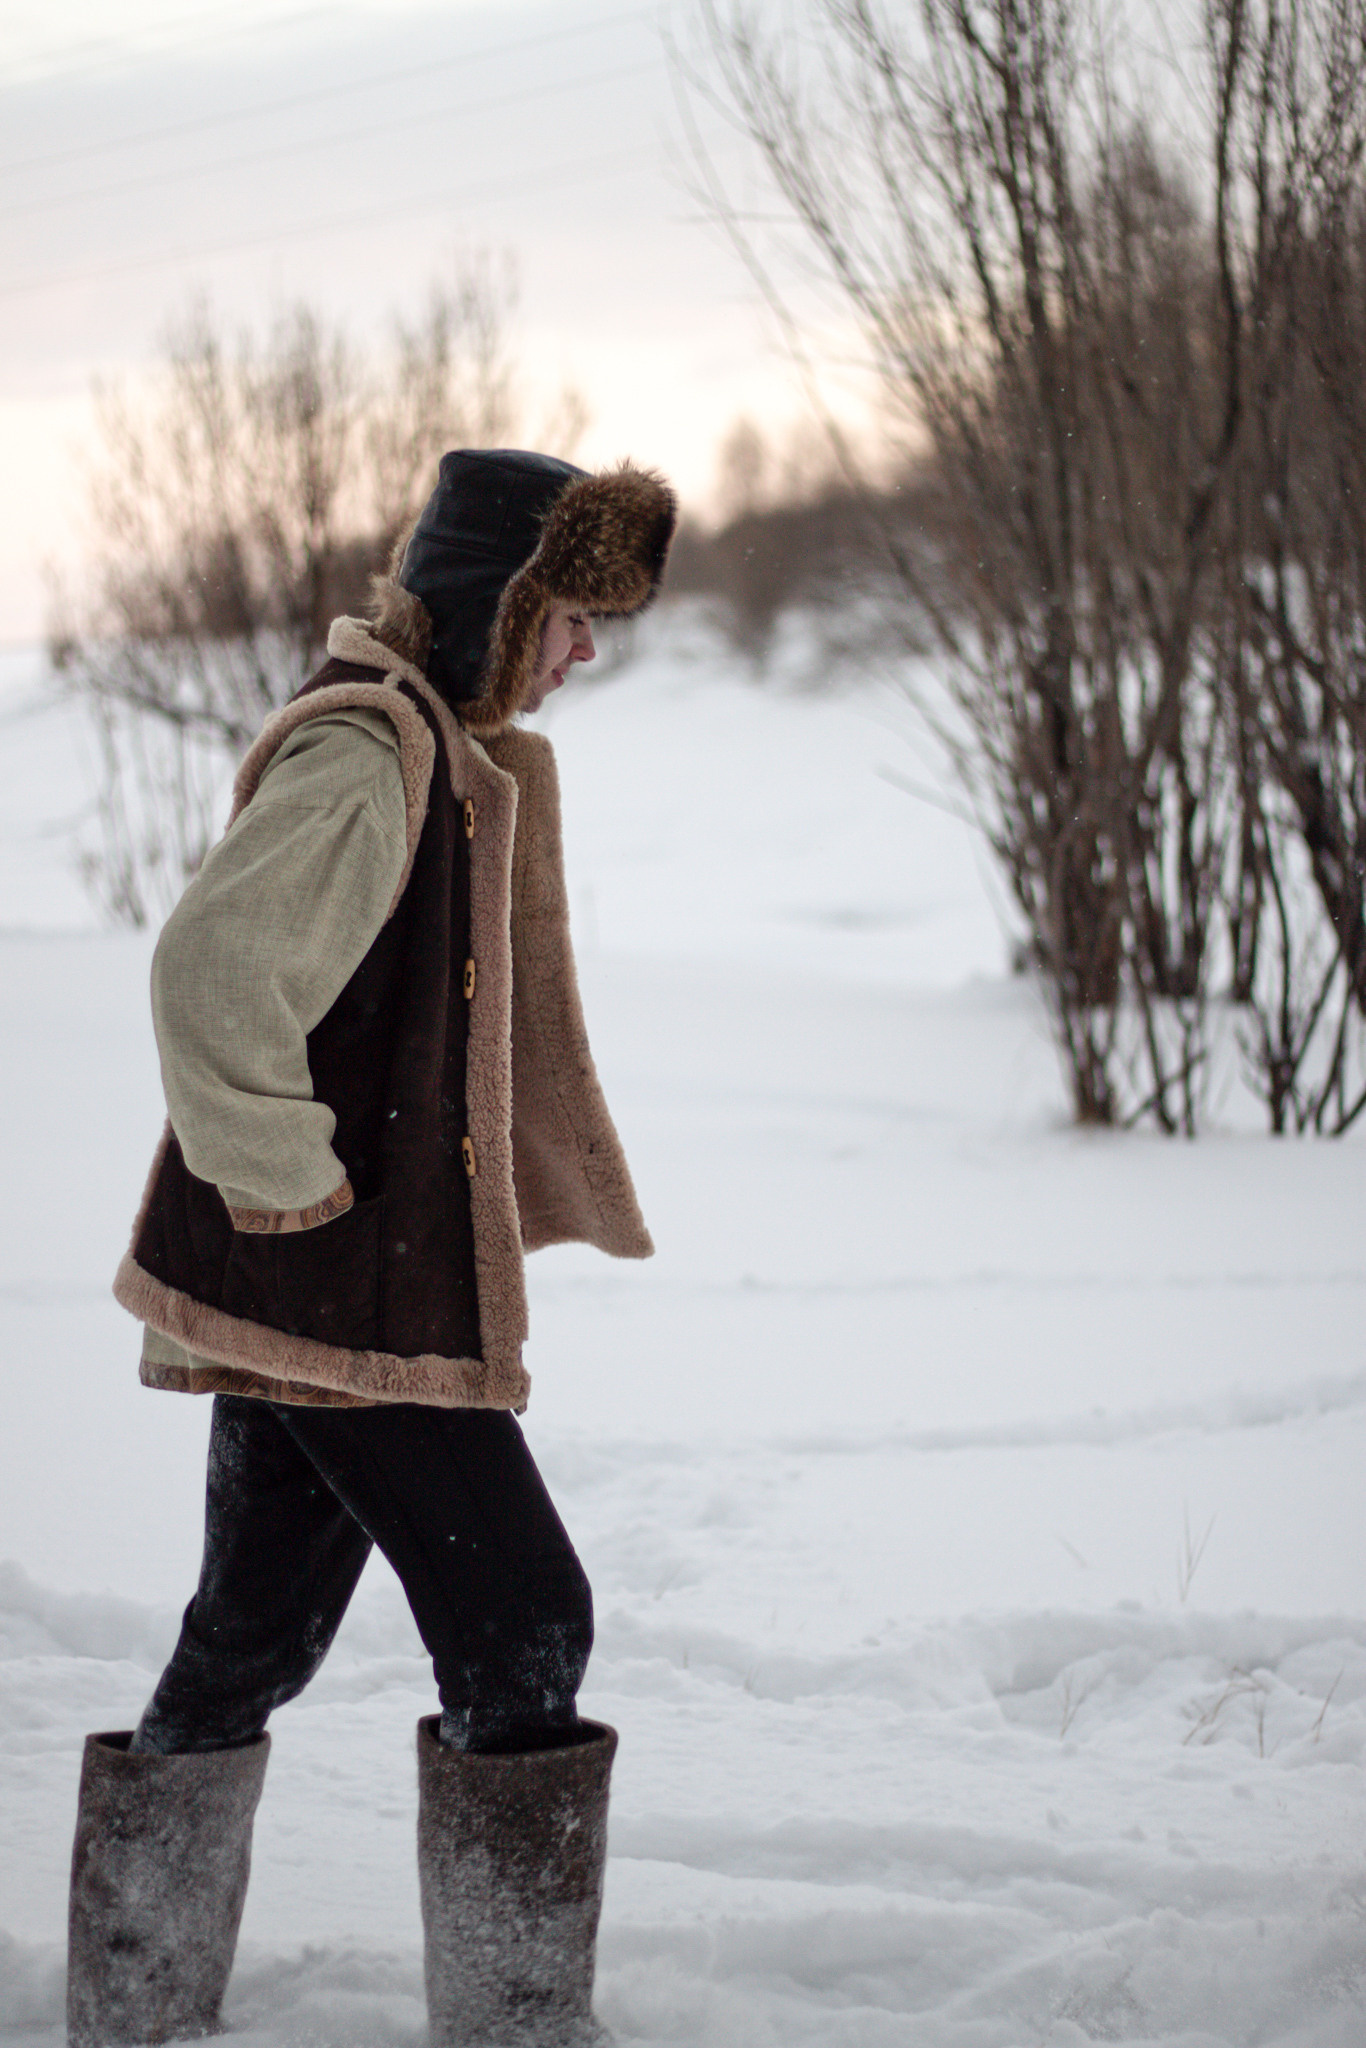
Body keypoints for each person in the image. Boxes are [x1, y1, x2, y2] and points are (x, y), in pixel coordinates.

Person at [66, 449, 678, 2048]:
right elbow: (213, 978)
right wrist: (294, 1199)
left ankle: (133, 2005)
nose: (584, 650)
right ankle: (516, 2024)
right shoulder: (369, 750)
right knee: (524, 1621)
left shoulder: (432, 740)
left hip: (324, 1286)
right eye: (569, 615)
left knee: (249, 1635)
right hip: (348, 1291)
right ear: (499, 604)